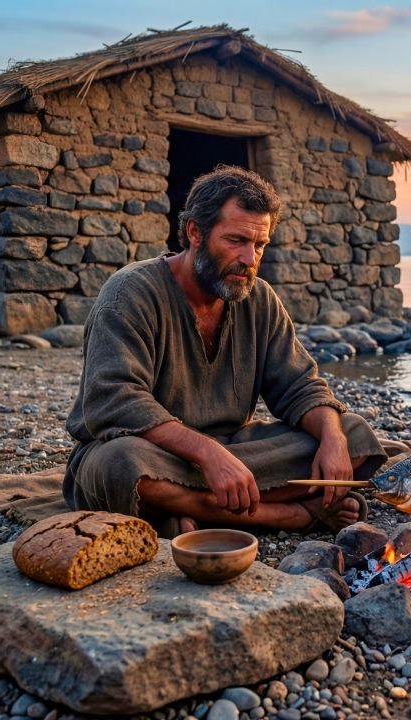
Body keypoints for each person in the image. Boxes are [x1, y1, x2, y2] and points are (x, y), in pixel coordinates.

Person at [62, 166, 387, 536]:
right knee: (118, 465)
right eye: (236, 240)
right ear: (195, 232)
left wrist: (332, 440)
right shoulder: (129, 293)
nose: (249, 259)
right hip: (154, 451)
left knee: (352, 433)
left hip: (235, 452)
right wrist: (207, 454)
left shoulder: (259, 298)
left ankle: (192, 516)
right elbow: (114, 400)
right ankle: (291, 516)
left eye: (259, 245)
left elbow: (300, 387)